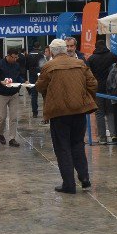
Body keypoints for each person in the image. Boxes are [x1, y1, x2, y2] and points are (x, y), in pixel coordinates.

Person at [36, 38, 98, 194]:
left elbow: (39, 86)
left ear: (51, 51)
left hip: (59, 113)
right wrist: (82, 96)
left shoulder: (48, 67)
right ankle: (85, 179)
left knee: (63, 148)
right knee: (77, 145)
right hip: (79, 111)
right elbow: (93, 84)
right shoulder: (80, 63)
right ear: (65, 49)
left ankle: (69, 184)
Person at [0, 48, 25, 147]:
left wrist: (23, 81)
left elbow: (18, 76)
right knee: (2, 117)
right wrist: (0, 82)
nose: (15, 59)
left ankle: (12, 138)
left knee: (13, 117)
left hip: (14, 94)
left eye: (16, 58)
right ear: (8, 56)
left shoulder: (16, 65)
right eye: (13, 57)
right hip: (1, 94)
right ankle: (1, 134)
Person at [86, 43, 117, 146]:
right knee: (110, 112)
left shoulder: (92, 58)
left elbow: (88, 73)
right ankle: (113, 135)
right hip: (110, 88)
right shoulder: (112, 56)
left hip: (97, 88)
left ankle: (102, 137)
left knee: (99, 113)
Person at [26, 43, 44, 118]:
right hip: (40, 75)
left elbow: (26, 66)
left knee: (34, 95)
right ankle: (45, 112)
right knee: (44, 95)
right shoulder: (41, 54)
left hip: (32, 75)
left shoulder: (29, 54)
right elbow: (43, 65)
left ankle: (34, 113)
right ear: (39, 46)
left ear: (33, 46)